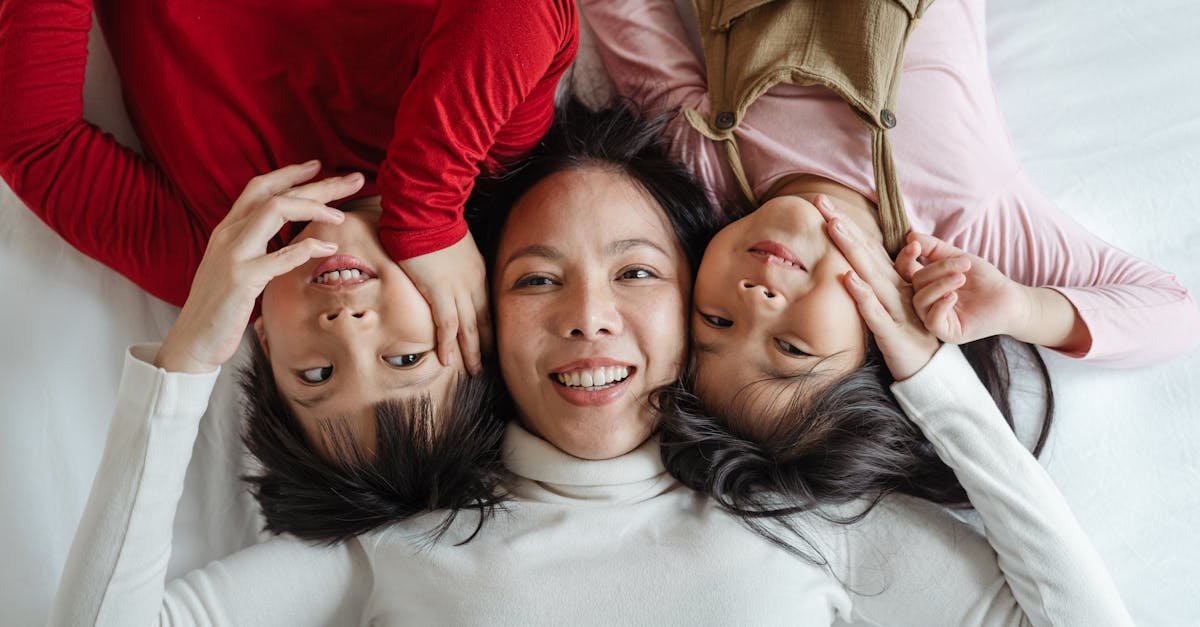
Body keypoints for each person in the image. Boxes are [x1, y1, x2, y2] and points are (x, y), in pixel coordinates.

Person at [48, 102, 1131, 626]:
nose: (587, 320)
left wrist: (925, 372)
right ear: (468, 319)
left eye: (637, 275)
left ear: (703, 300)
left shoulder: (796, 521)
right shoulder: (399, 542)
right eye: (532, 280)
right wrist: (192, 353)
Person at [580, 0, 1200, 507]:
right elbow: (1173, 312)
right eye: (792, 348)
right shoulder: (965, 214)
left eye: (716, 322)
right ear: (880, 344)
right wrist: (1020, 308)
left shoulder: (707, 163)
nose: (755, 301)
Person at [0, 0, 579, 376]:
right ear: (472, 321)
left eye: (317, 375)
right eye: (403, 358)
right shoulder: (481, 161)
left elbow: (34, 141)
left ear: (267, 349)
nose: (346, 331)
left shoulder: (216, 263)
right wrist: (426, 210)